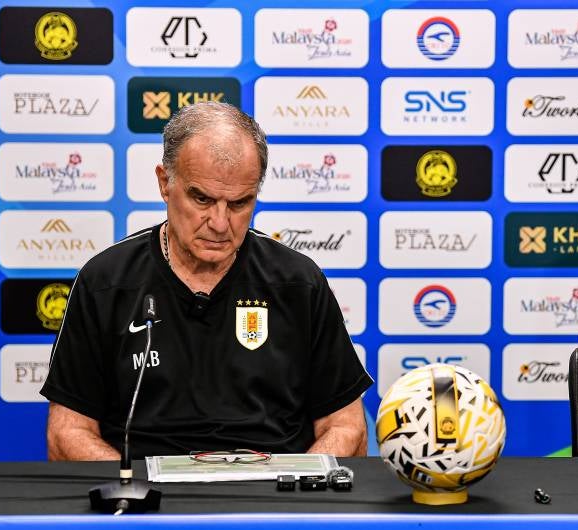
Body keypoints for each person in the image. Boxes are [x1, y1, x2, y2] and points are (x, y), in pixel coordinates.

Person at [41, 102, 372, 460]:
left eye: (239, 203)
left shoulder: (298, 283)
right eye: (202, 198)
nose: (219, 222)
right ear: (165, 184)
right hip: (148, 498)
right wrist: (137, 489)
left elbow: (346, 426)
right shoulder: (105, 282)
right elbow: (67, 432)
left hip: (268, 498)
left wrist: (292, 486)